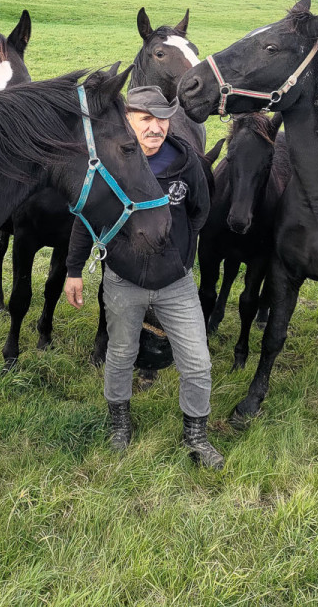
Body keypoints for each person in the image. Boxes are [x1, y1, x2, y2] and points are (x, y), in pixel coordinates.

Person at [63, 85, 223, 468]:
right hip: (123, 281)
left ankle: (196, 435)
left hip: (176, 283)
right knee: (120, 355)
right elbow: (86, 219)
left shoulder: (187, 164)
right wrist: (74, 271)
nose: (156, 127)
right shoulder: (109, 166)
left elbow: (200, 212)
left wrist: (181, 255)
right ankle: (120, 422)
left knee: (198, 362)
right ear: (128, 121)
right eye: (146, 118)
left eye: (162, 119)